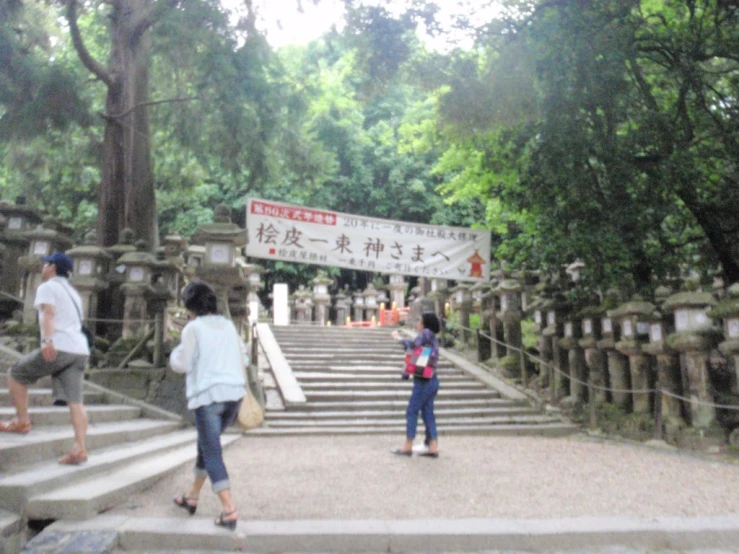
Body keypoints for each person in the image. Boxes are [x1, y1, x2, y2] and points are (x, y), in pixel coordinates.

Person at [169, 280, 246, 531]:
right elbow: (243, 356)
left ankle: (229, 510)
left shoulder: (194, 328)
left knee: (212, 452)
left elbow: (182, 363)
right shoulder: (228, 326)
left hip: (207, 397)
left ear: (190, 306)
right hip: (234, 395)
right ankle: (192, 497)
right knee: (206, 445)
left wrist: (174, 355)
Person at [0, 252, 90, 465]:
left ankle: (22, 421)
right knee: (75, 401)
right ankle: (80, 448)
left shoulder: (48, 287)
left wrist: (47, 340)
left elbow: (49, 313)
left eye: (45, 264)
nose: (43, 268)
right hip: (79, 350)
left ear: (52, 268)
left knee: (16, 373)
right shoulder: (73, 293)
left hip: (59, 345)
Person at [390, 312, 441, 458]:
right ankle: (433, 446)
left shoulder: (425, 333)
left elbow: (413, 345)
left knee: (412, 410)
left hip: (423, 381)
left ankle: (408, 445)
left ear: (425, 323)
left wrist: (398, 338)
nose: (418, 323)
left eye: (420, 320)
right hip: (432, 379)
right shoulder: (433, 338)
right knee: (428, 413)